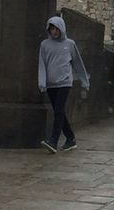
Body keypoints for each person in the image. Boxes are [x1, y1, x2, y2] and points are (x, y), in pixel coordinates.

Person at [37, 15, 90, 153]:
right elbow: (42, 64)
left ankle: (53, 141)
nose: (54, 31)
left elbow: (78, 63)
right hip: (50, 83)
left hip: (65, 82)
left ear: (61, 29)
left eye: (56, 29)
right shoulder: (44, 45)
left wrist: (84, 81)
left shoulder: (70, 44)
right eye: (52, 29)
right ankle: (70, 138)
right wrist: (42, 81)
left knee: (59, 110)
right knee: (58, 112)